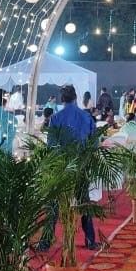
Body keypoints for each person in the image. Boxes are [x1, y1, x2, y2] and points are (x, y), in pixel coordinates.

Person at [44, 85, 97, 249]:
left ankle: (45, 242)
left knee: (53, 204)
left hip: (62, 167)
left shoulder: (55, 118)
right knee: (83, 202)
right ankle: (90, 240)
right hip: (81, 165)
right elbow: (94, 143)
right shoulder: (86, 117)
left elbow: (51, 145)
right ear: (75, 98)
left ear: (62, 100)